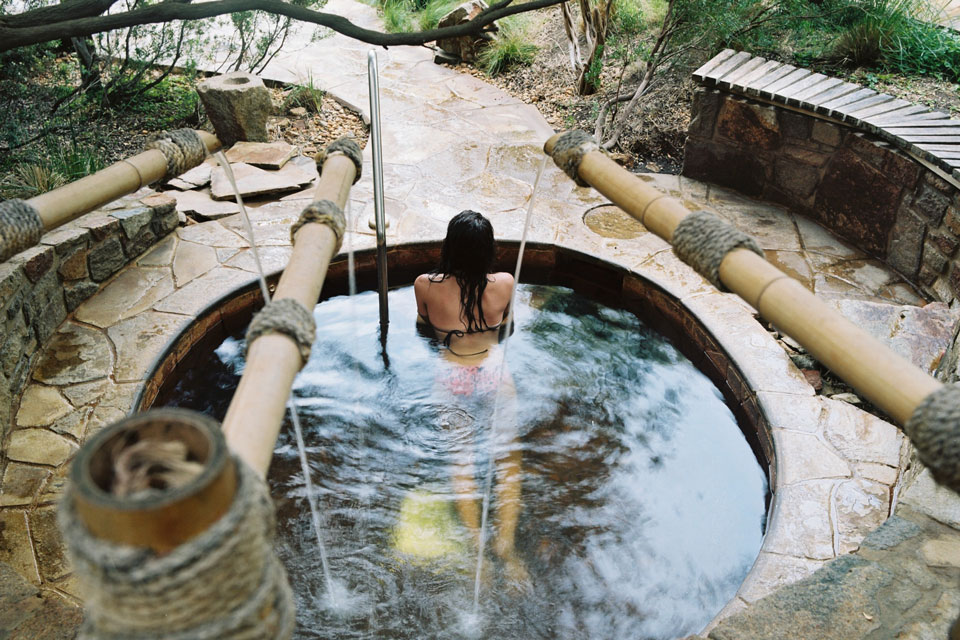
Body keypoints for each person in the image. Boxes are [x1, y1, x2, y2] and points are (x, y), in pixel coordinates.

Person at [414, 210, 527, 587]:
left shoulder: (425, 285)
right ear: (488, 250)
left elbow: (423, 329)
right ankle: (506, 548)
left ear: (449, 246)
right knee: (508, 456)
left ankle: (477, 546)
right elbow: (507, 328)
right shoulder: (505, 283)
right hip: (494, 372)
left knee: (461, 460)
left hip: (451, 373)